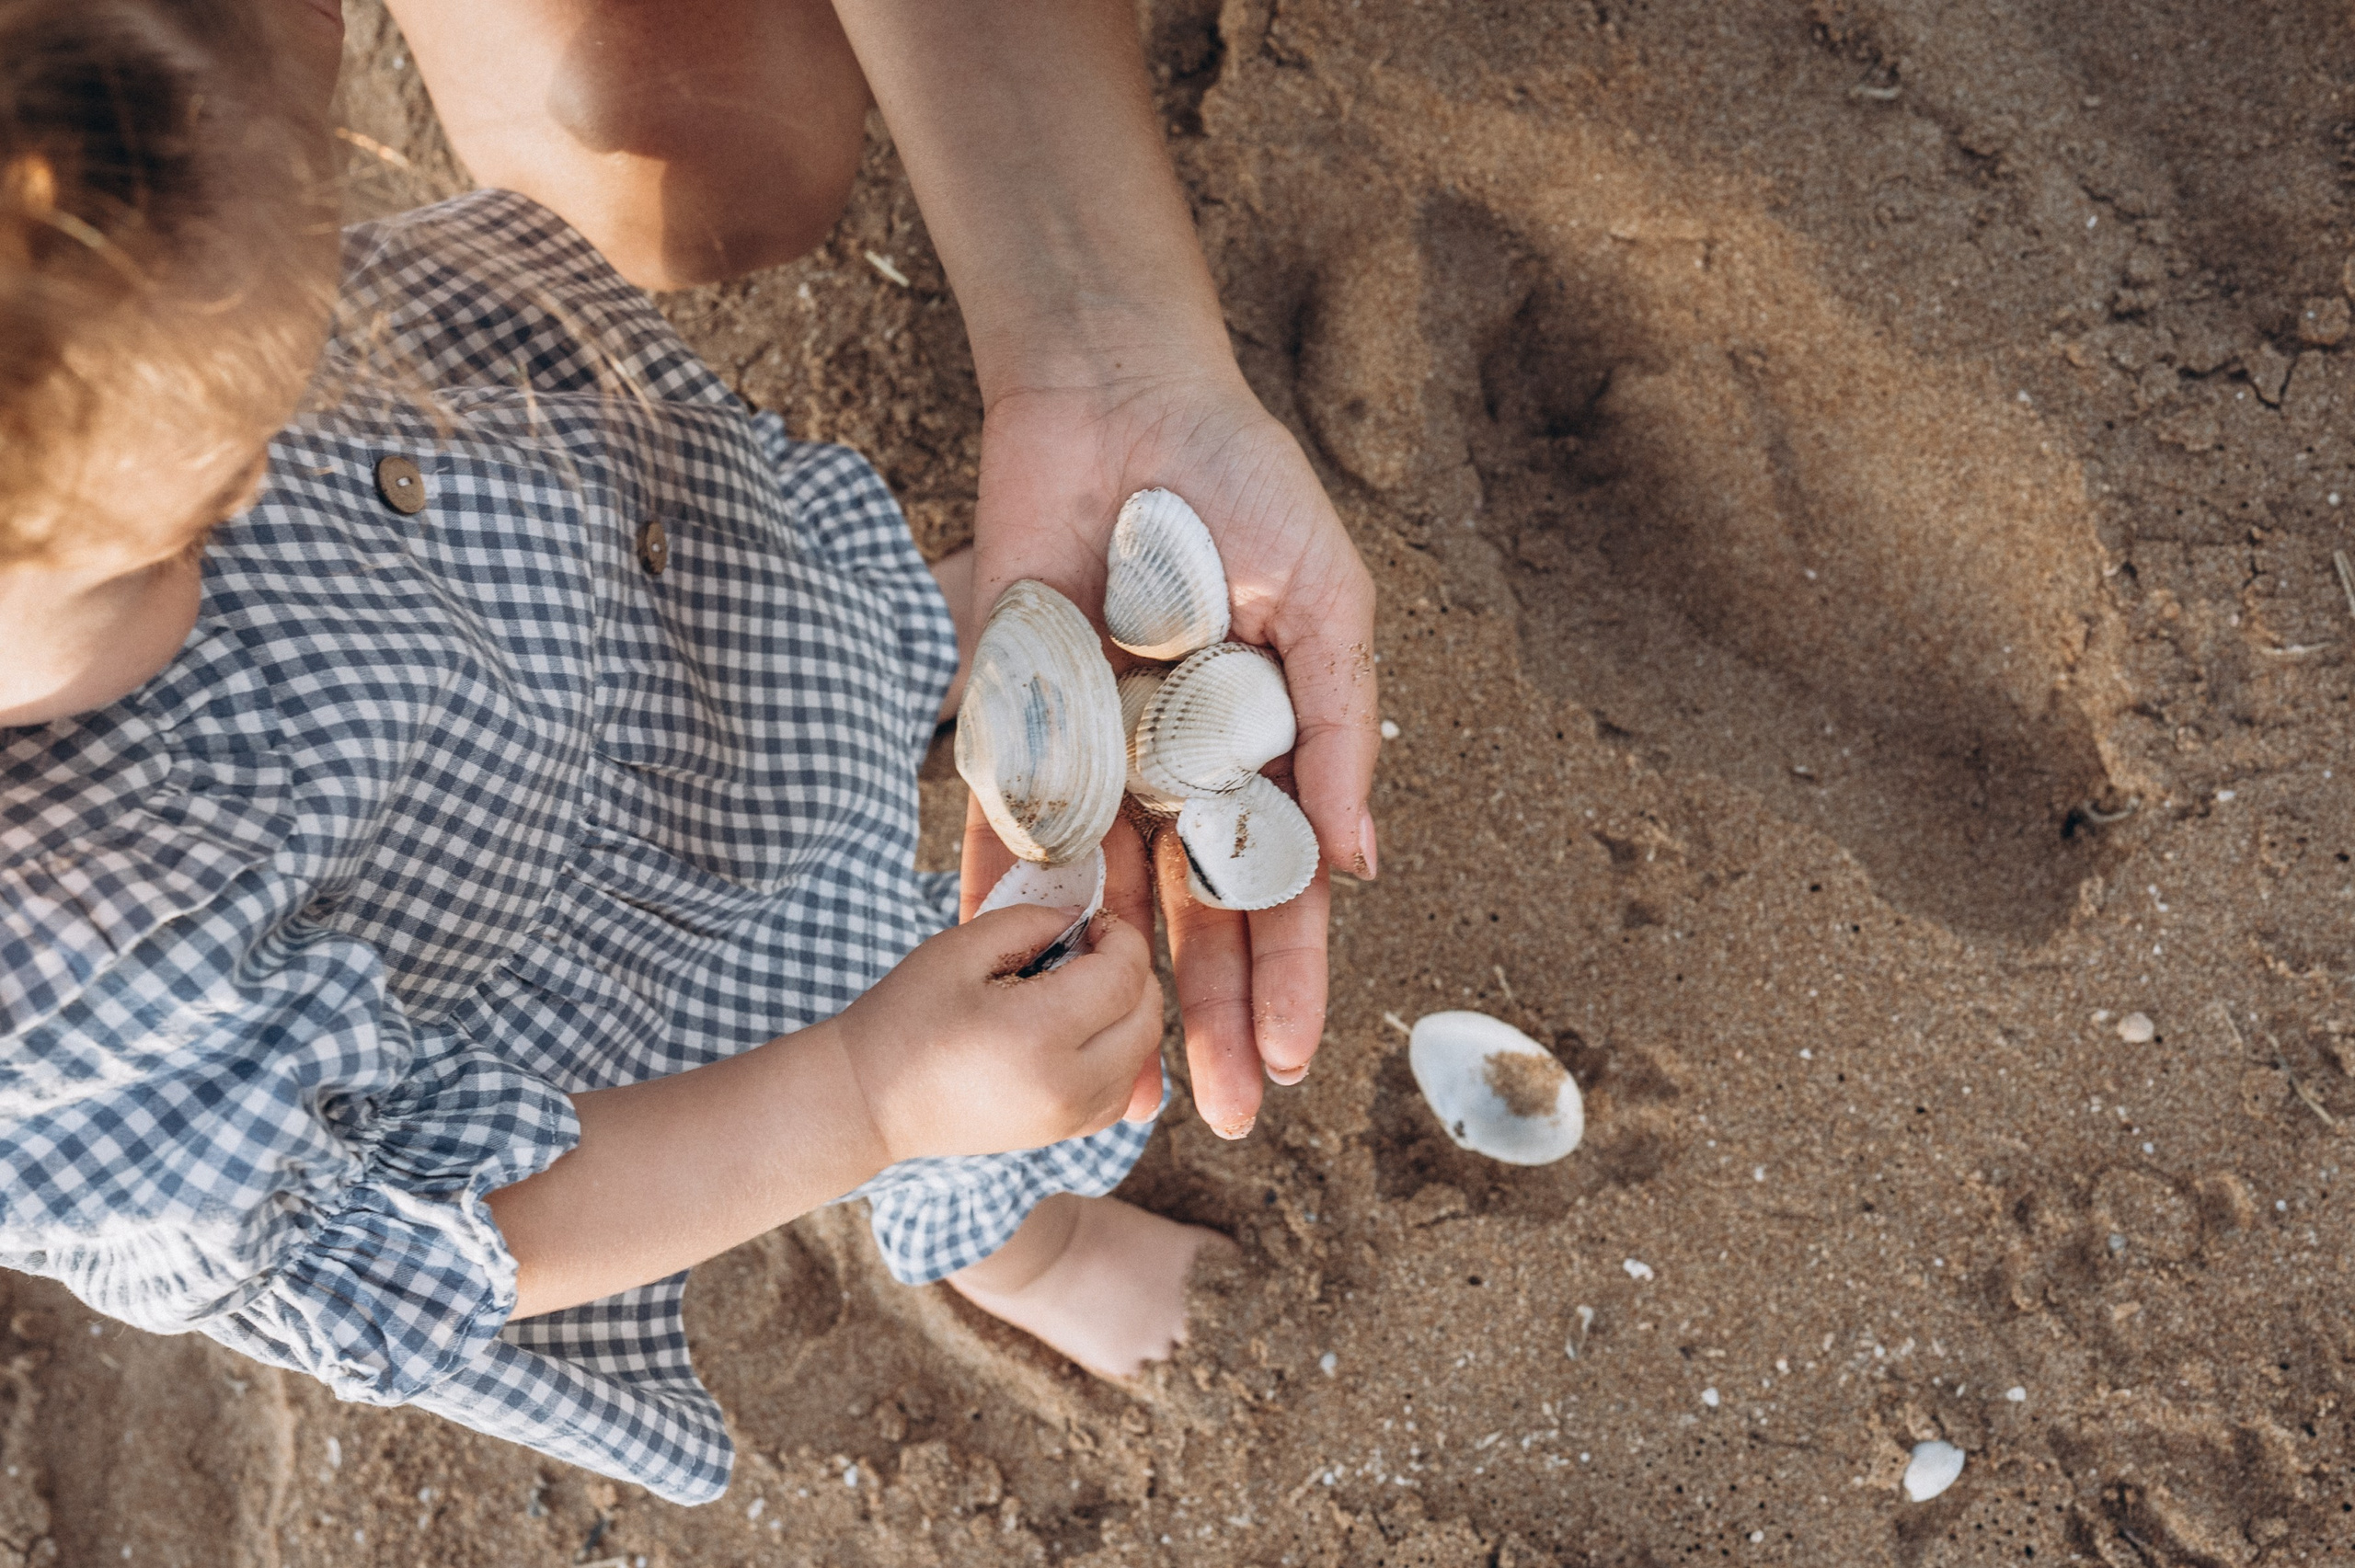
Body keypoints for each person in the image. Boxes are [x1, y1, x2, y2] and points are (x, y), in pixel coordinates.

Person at [0, 0, 1373, 1505]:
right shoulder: (48, 1015)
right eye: (178, 530)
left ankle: (940, 658)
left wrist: (1101, 359)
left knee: (794, 629)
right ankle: (1014, 1242)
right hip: (643, 979)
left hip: (608, 612)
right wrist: (868, 1096)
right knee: (977, 1057)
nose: (257, 487)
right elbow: (417, 1224)